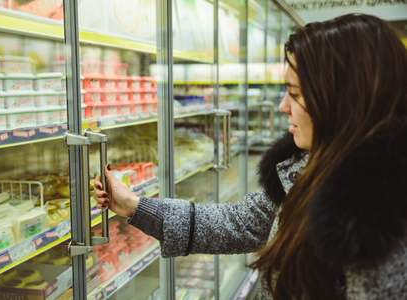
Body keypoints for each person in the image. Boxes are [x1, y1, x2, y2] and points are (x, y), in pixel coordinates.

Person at [94, 14, 407, 300]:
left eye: (295, 94)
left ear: (345, 100)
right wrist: (137, 206)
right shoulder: (310, 164)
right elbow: (240, 222)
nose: (284, 105)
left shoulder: (382, 220)